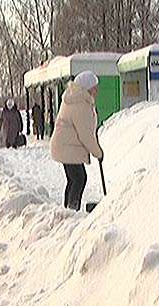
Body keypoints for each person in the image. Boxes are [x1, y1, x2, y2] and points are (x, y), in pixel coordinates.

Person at [50, 71, 103, 211]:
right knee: (79, 178)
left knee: (74, 179)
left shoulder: (75, 99)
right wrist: (98, 153)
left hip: (65, 146)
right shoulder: (80, 103)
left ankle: (68, 210)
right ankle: (72, 210)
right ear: (87, 88)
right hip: (68, 148)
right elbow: (85, 134)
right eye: (94, 88)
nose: (97, 91)